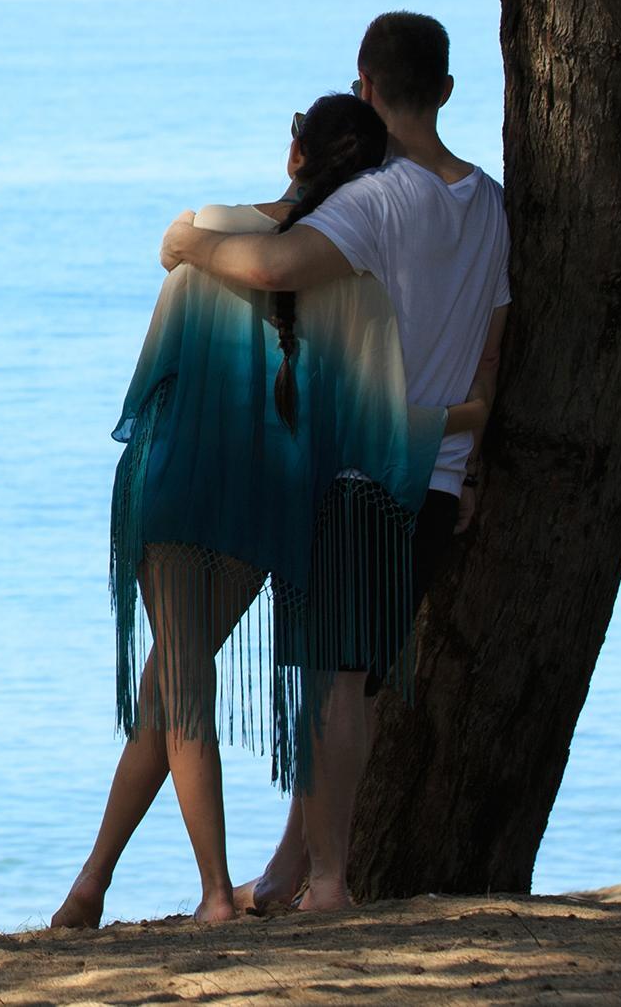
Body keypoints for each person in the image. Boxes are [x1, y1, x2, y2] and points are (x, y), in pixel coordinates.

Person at [50, 91, 408, 930]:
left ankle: (214, 895)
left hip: (180, 487)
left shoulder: (212, 225)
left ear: (296, 153)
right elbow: (358, 408)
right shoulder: (352, 270)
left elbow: (154, 377)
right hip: (266, 499)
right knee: (167, 684)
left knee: (181, 686)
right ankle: (88, 888)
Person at [191, 10, 510, 917]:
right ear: (445, 89)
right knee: (353, 674)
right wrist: (473, 465)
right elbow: (492, 344)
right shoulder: (488, 203)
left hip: (360, 473)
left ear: (363, 86)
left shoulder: (371, 197)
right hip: (440, 479)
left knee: (333, 681)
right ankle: (295, 866)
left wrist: (193, 245)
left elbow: (276, 266)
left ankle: (330, 877)